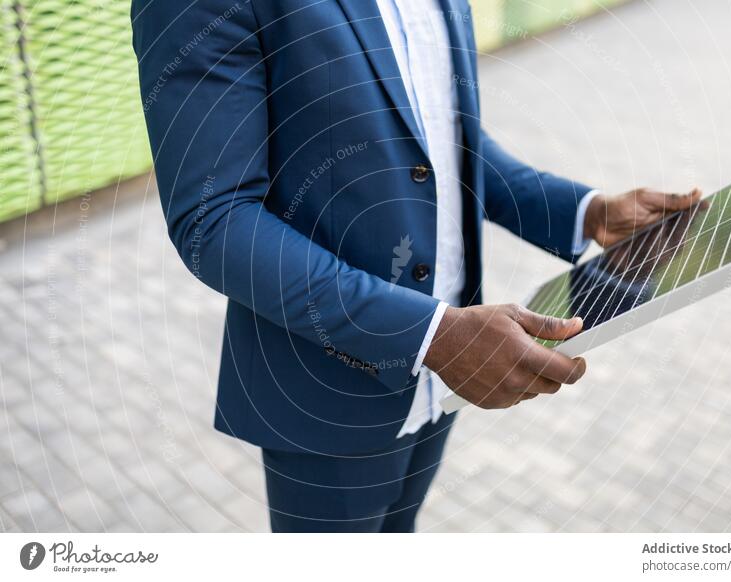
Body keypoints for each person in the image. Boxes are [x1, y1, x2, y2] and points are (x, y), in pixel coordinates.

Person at [131, 0, 700, 532]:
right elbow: (216, 219)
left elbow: (436, 132)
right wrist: (428, 335)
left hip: (449, 371)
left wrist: (585, 212)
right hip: (330, 392)